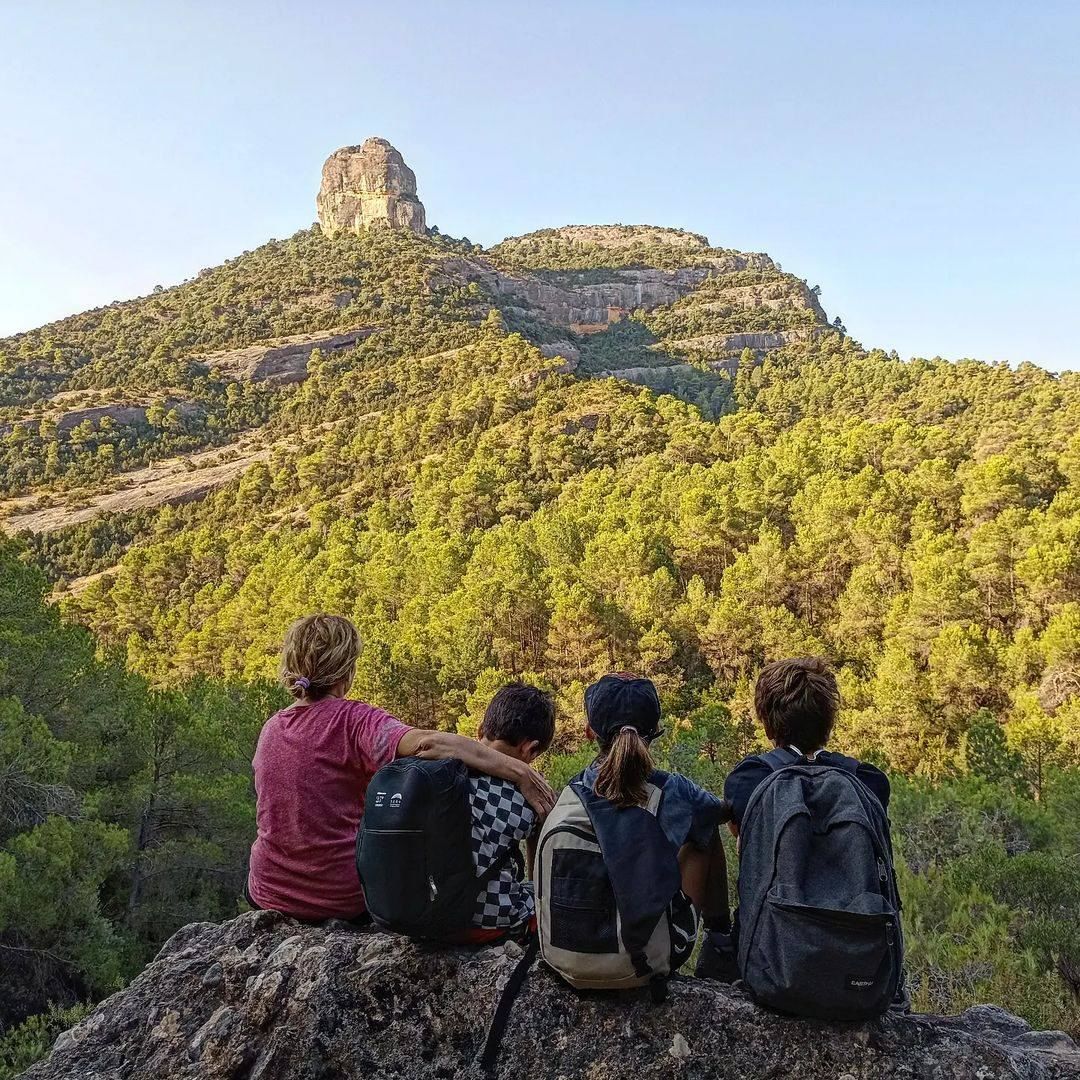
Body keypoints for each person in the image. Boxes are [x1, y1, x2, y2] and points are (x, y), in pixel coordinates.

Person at [247, 614, 555, 922]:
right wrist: (520, 772)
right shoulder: (354, 721)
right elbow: (428, 745)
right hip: (340, 898)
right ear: (347, 670)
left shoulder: (272, 728)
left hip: (267, 892)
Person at [696, 655, 893, 983]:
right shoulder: (869, 781)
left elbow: (742, 840)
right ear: (828, 723)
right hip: (863, 971)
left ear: (767, 723)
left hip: (771, 964)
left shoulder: (749, 779)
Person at [580, 674, 730, 956]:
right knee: (705, 829)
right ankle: (720, 942)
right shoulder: (675, 790)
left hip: (581, 945)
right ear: (656, 730)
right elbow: (719, 812)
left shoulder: (575, 789)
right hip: (646, 957)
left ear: (590, 732)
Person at [458, 681, 556, 943]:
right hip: (487, 926)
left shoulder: (441, 769)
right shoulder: (529, 795)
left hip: (421, 914)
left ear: (480, 729)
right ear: (529, 748)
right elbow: (541, 879)